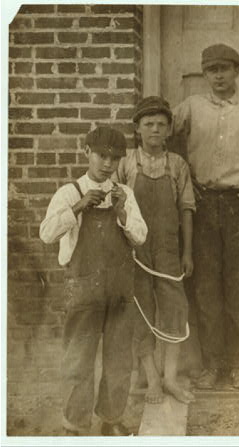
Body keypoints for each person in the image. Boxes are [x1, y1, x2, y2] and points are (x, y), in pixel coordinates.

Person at [172, 43, 239, 389]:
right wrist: (185, 176)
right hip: (202, 203)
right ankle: (211, 364)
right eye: (212, 69)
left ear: (237, 72)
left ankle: (238, 364)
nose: (218, 75)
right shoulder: (190, 108)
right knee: (205, 287)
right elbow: (162, 137)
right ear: (204, 74)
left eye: (225, 68)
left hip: (238, 207)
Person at [40, 127, 147, 436]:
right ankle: (73, 424)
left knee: (118, 359)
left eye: (115, 158)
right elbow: (46, 234)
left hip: (119, 291)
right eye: (102, 156)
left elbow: (141, 236)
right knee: (78, 359)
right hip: (83, 290)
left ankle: (111, 420)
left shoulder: (124, 193)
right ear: (87, 151)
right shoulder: (69, 192)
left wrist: (122, 213)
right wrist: (78, 207)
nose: (108, 164)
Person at [114, 96, 196, 404]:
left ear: (169, 129)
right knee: (141, 310)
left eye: (162, 124)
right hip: (135, 251)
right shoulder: (124, 164)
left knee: (174, 309)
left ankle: (171, 378)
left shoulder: (177, 165)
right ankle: (152, 381)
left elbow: (186, 209)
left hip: (168, 250)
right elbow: (114, 210)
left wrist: (187, 252)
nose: (155, 130)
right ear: (137, 129)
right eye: (149, 124)